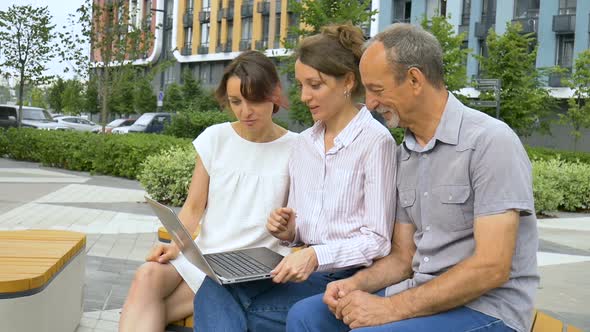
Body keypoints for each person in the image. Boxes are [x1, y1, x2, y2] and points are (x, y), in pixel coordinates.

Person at [286, 23, 539, 332]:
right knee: (307, 315)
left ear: (415, 79)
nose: (371, 104)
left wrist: (389, 309)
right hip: (419, 292)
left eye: (377, 90)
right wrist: (355, 285)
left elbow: (492, 268)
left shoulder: (489, 142)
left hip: (487, 309)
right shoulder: (405, 153)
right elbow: (403, 258)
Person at [193, 24, 397, 331]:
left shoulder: (376, 142)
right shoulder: (305, 144)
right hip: (298, 268)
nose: (303, 96)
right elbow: (299, 232)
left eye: (315, 85)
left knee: (238, 310)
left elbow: (378, 240)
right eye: (301, 85)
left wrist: (316, 255)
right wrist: (288, 230)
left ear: (348, 81)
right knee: (214, 286)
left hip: (349, 278)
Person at [118, 50, 298, 332]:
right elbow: (193, 209)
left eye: (253, 100)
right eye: (236, 102)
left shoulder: (297, 149)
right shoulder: (216, 138)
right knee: (147, 274)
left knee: (150, 309)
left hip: (248, 272)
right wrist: (175, 246)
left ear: (273, 93)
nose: (244, 111)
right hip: (205, 258)